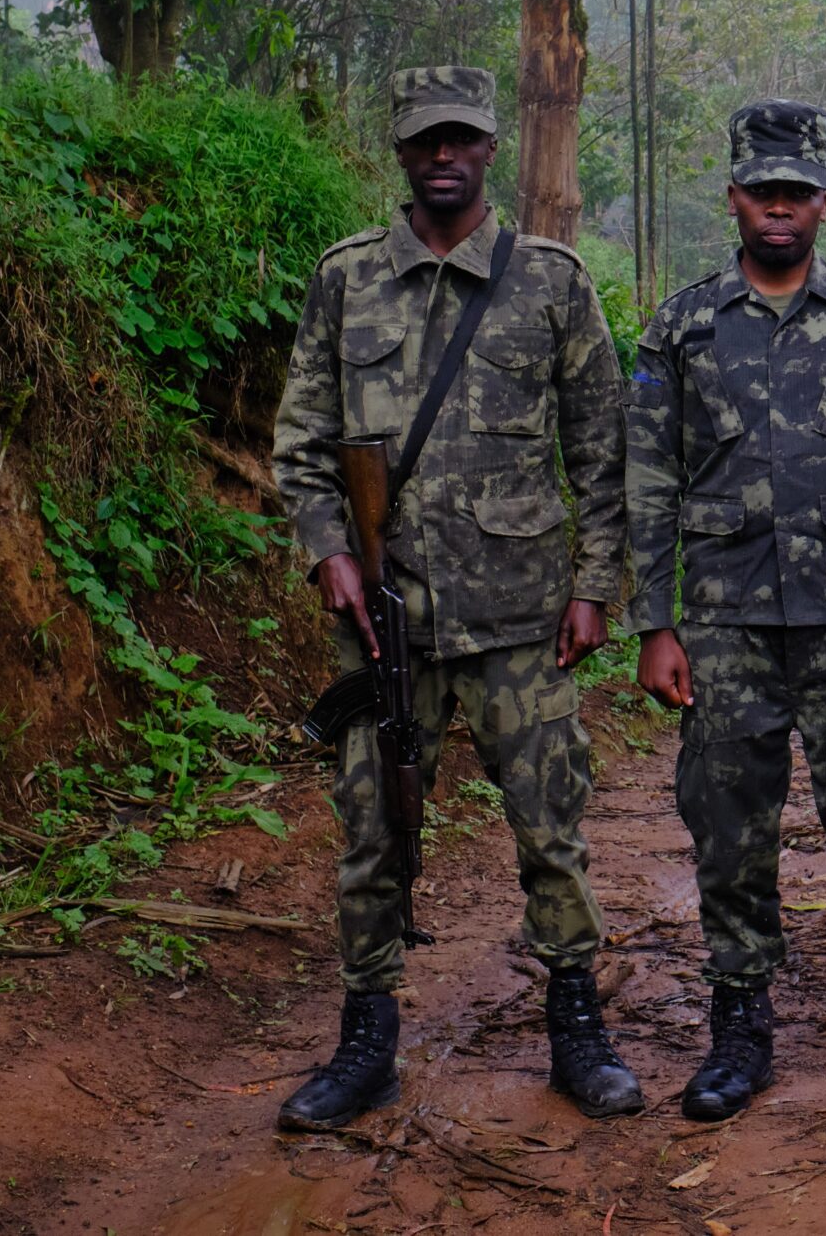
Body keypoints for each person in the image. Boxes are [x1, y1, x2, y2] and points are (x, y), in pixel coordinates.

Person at [270, 65, 640, 1130]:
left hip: (520, 619)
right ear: (399, 150)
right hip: (386, 623)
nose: (443, 155)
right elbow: (301, 449)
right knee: (372, 831)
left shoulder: (550, 281)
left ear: (490, 149)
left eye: (462, 139)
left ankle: (578, 1028)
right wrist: (328, 553)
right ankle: (366, 1043)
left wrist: (594, 588)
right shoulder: (346, 279)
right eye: (425, 139)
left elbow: (600, 453)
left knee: (548, 829)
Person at [625, 100, 826, 1133]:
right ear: (734, 198)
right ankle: (739, 1027)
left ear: (823, 201)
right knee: (729, 830)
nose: (778, 208)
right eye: (761, 191)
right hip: (724, 624)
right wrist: (655, 621)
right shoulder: (683, 325)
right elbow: (646, 475)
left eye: (797, 192)